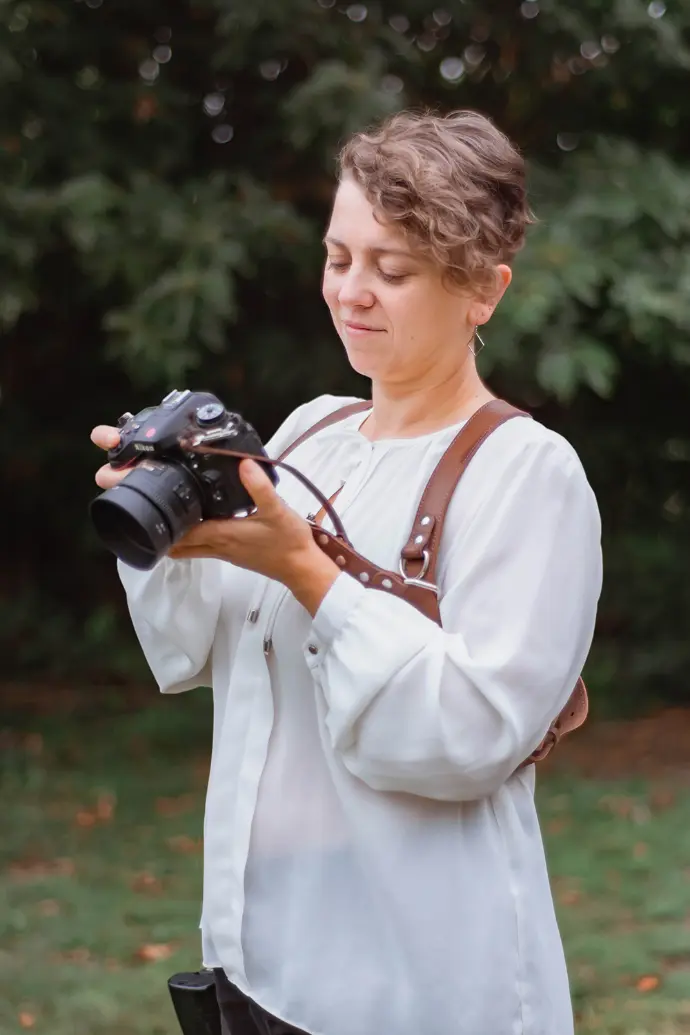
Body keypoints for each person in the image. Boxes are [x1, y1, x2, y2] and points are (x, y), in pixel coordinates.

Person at [91, 109, 602, 1035]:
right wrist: (165, 515)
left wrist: (312, 575)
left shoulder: (527, 470)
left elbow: (475, 731)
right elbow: (193, 646)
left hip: (421, 984)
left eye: (393, 269)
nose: (352, 292)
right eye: (338, 257)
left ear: (484, 290)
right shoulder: (309, 434)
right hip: (255, 963)